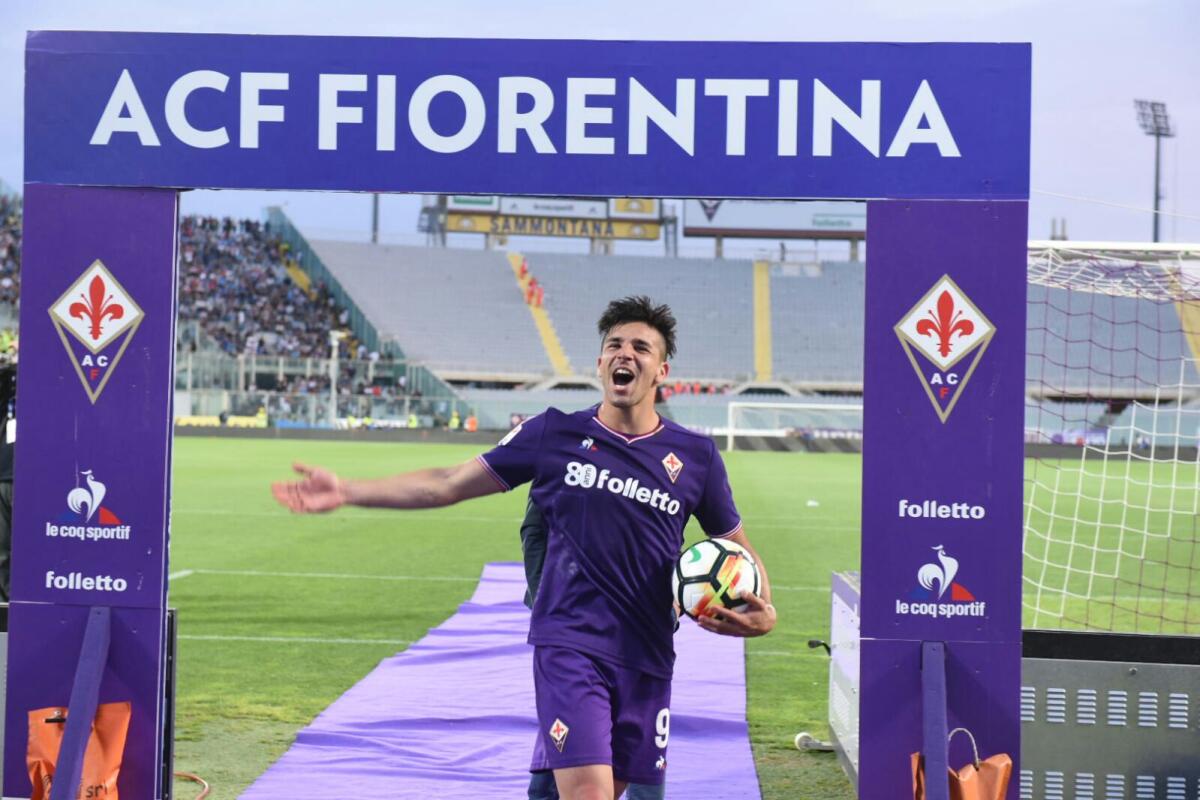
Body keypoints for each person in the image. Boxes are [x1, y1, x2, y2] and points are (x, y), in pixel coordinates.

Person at [272, 296, 775, 800]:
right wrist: (350, 490)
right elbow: (447, 483)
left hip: (648, 654)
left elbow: (738, 551)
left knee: (599, 789)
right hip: (570, 642)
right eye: (614, 345)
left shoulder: (696, 456)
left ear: (661, 370)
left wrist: (765, 613)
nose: (626, 354)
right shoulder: (553, 433)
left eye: (641, 347)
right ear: (600, 363)